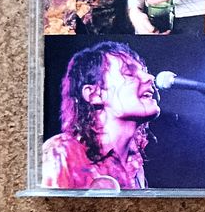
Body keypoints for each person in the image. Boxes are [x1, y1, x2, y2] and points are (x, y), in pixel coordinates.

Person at [42, 41, 160, 190]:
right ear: (94, 95)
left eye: (144, 71)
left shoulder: (135, 164)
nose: (149, 77)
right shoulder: (61, 152)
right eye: (129, 73)